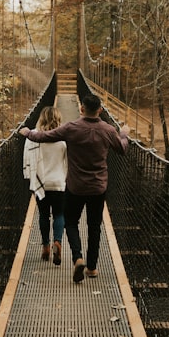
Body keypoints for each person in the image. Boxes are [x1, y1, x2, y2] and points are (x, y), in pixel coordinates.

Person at [19, 94, 129, 283]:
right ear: (100, 110)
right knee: (94, 227)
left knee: (71, 223)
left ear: (81, 109)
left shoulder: (71, 128)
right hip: (98, 188)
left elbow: (44, 136)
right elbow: (122, 149)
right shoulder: (108, 130)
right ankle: (92, 268)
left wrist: (28, 132)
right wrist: (124, 134)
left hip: (75, 187)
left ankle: (78, 257)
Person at [21, 106, 68, 264]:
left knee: (43, 215)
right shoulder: (63, 140)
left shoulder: (33, 137)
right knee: (59, 215)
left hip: (41, 182)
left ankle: (46, 246)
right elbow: (67, 163)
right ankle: (58, 241)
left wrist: (29, 177)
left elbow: (27, 159)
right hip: (58, 183)